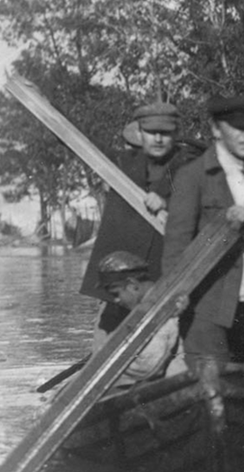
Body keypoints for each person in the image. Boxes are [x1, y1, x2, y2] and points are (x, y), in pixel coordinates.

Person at [163, 95, 244, 364]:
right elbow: (177, 242)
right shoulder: (193, 175)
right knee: (210, 370)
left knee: (237, 368)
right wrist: (175, 293)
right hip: (205, 299)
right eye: (237, 128)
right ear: (215, 129)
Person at [80, 101, 199, 335]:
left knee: (165, 342)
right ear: (140, 133)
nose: (158, 139)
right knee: (106, 338)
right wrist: (46, 102)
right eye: (151, 132)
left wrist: (169, 204)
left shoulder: (191, 165)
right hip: (116, 283)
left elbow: (207, 205)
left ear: (175, 134)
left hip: (160, 278)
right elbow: (80, 142)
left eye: (165, 133)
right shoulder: (123, 163)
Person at [89, 250, 188, 394]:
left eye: (116, 293)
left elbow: (148, 366)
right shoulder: (151, 303)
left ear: (133, 284)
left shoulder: (161, 308)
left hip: (175, 383)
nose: (116, 300)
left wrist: (108, 354)